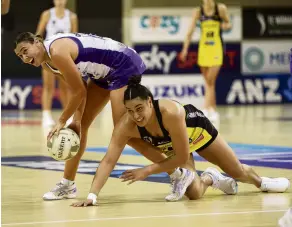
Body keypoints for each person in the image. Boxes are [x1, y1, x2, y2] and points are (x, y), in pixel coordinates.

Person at [14, 31, 183, 201]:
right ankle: (67, 185)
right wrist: (77, 121)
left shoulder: (57, 51)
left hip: (122, 64)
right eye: (20, 56)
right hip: (102, 73)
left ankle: (177, 173)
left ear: (36, 42)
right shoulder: (47, 64)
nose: (24, 58)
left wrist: (62, 120)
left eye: (25, 50)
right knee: (79, 129)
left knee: (124, 133)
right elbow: (79, 89)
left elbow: (79, 92)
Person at [71, 77, 290, 207]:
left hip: (197, 132)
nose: (136, 116)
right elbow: (108, 160)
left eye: (139, 109)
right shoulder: (125, 126)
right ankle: (210, 178)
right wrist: (92, 196)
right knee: (193, 194)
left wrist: (147, 170)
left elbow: (183, 156)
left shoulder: (171, 112)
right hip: (175, 146)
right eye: (130, 111)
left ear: (150, 101)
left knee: (237, 172)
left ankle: (261, 183)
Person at [180, 0, 232, 129]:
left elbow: (228, 23)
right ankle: (212, 109)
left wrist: (224, 26)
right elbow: (190, 31)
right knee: (208, 82)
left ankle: (206, 109)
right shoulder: (198, 11)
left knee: (210, 80)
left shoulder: (220, 9)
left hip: (216, 48)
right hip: (204, 48)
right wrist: (185, 49)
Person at [36, 0, 78, 127]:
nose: (60, 1)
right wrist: (40, 52)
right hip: (48, 55)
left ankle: (69, 115)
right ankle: (46, 115)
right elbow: (38, 34)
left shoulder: (72, 17)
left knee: (65, 87)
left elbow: (75, 38)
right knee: (48, 86)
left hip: (64, 56)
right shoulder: (47, 14)